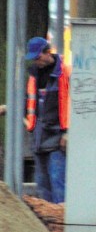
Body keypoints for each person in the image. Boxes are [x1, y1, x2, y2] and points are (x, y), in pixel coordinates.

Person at [24, 36, 70, 204]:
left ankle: (60, 221)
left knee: (58, 180)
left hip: (57, 137)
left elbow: (71, 104)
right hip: (38, 137)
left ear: (47, 52)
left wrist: (67, 133)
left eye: (38, 57)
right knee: (43, 183)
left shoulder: (65, 72)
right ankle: (48, 223)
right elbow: (29, 102)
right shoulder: (34, 75)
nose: (37, 62)